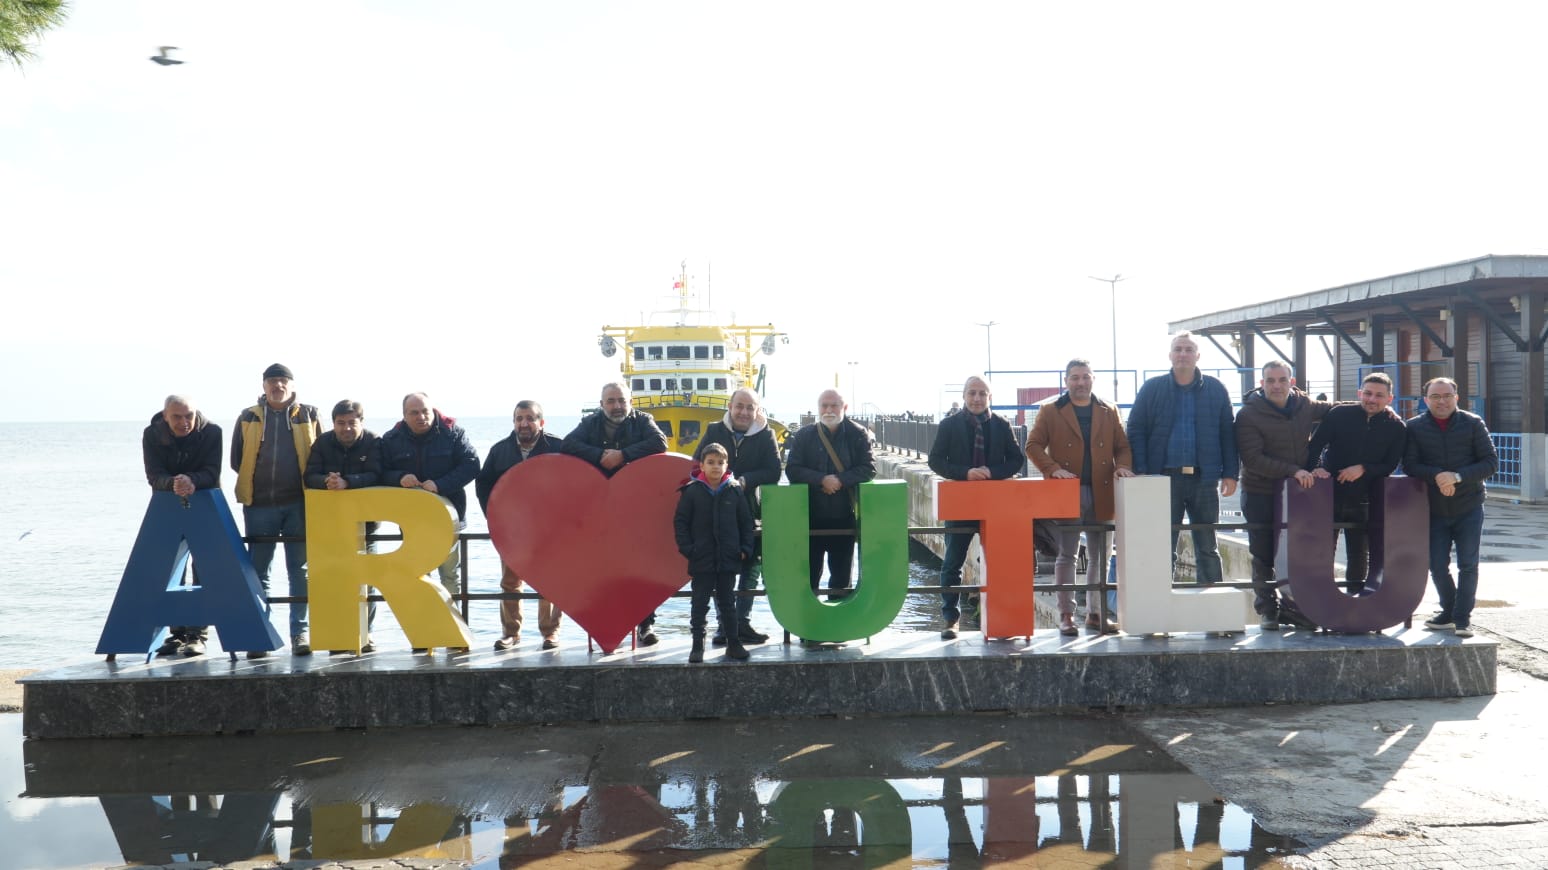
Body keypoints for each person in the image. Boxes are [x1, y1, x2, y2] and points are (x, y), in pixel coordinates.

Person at [1026, 361, 1135, 635]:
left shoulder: (1109, 410)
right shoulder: (1050, 411)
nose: (1081, 382)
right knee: (1067, 555)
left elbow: (1122, 446)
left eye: (1086, 377)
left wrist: (1122, 465)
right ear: (1066, 381)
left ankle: (1096, 614)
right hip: (1067, 492)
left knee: (1101, 556)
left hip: (1103, 491)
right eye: (1075, 377)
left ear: (1093, 379)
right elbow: (1033, 445)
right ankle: (1067, 615)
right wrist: (1053, 469)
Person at [1126, 331, 1239, 584]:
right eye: (1178, 349)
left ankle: (1212, 605)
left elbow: (1227, 433)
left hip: (1204, 480)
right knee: (1162, 547)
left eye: (1189, 350)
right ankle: (1160, 605)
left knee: (1208, 547)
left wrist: (1231, 473)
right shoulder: (1152, 388)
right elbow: (1136, 429)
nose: (1183, 354)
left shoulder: (1216, 389)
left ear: (1198, 356)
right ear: (1170, 355)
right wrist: (1142, 470)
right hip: (1163, 479)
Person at [563, 381, 669, 643]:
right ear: (601, 405)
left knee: (640, 568)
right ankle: (609, 624)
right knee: (605, 568)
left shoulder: (643, 420)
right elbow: (568, 445)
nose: (617, 406)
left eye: (621, 400)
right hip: (601, 509)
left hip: (636, 508)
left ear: (630, 402)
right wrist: (600, 455)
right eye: (611, 401)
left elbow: (660, 443)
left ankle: (646, 625)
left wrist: (623, 455)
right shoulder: (591, 423)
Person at [1233, 360, 1334, 629]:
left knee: (1298, 553)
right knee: (1263, 554)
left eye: (1281, 379)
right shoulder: (1248, 415)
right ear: (1261, 383)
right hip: (1260, 492)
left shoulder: (1305, 405)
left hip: (1297, 493)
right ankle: (1268, 609)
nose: (1276, 385)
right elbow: (1253, 459)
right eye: (1270, 380)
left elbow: (1338, 411)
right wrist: (1294, 470)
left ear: (1292, 381)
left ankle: (1297, 608)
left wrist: (1374, 408)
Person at [231, 363, 322, 658]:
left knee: (301, 570)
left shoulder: (310, 414)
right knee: (259, 571)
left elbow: (321, 454)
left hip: (300, 503)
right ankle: (261, 636)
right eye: (272, 381)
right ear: (264, 386)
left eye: (283, 381)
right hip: (259, 505)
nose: (277, 386)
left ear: (292, 386)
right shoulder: (247, 417)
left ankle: (300, 634)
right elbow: (236, 459)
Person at [380, 392, 481, 652]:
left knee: (449, 576)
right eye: (414, 412)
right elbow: (378, 471)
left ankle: (455, 634)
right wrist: (399, 477)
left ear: (432, 410)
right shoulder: (391, 440)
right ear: (404, 416)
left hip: (448, 518)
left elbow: (471, 464)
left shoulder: (453, 433)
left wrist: (440, 484)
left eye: (425, 411)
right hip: (411, 521)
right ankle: (424, 635)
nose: (421, 416)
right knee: (417, 577)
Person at [928, 376, 1025, 639]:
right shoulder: (949, 425)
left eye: (982, 393)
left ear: (990, 397)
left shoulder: (1002, 425)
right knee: (952, 563)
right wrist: (965, 473)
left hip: (994, 504)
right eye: (972, 393)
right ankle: (951, 618)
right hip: (961, 502)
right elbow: (935, 460)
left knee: (997, 561)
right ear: (964, 396)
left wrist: (991, 472)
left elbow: (1017, 460)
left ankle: (1000, 617)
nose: (977, 398)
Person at [1404, 377, 1498, 639]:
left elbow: (1490, 462)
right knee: (1436, 564)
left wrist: (1456, 477)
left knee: (1468, 564)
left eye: (1447, 395)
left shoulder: (1473, 423)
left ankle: (1462, 618)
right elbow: (1410, 464)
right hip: (1433, 508)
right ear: (1426, 400)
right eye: (1435, 396)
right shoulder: (1414, 427)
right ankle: (1448, 610)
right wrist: (1438, 476)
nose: (1441, 400)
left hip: (1468, 505)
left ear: (1457, 398)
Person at [1303, 372, 1407, 597]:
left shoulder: (1397, 427)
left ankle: (1354, 603)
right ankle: (1321, 600)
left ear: (1390, 398)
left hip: (1364, 497)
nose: (1372, 399)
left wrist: (1363, 468)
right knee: (1322, 552)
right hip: (1329, 493)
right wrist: (1316, 468)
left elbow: (1390, 464)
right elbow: (1315, 445)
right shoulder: (1340, 414)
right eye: (1367, 393)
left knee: (1359, 554)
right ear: (1359, 393)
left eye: (1379, 395)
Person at [784, 389, 875, 640]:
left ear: (844, 407)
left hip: (843, 518)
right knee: (810, 577)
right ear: (817, 407)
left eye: (834, 405)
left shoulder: (858, 435)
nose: (829, 410)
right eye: (824, 405)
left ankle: (838, 630)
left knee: (841, 577)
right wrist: (821, 479)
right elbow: (792, 470)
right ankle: (810, 631)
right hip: (810, 518)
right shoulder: (804, 435)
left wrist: (840, 480)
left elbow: (869, 469)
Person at [695, 388, 782, 647]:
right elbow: (696, 462)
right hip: (717, 509)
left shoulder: (766, 434)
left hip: (750, 510)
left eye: (749, 407)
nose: (744, 412)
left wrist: (745, 481)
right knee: (722, 569)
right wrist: (722, 480)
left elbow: (774, 471)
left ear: (757, 410)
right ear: (730, 406)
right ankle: (724, 625)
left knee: (751, 566)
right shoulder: (714, 430)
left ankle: (741, 621)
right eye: (739, 406)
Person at [476, 400, 565, 651]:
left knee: (550, 580)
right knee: (510, 581)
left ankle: (550, 633)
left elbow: (574, 481)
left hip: (550, 528)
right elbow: (484, 485)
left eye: (530, 418)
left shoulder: (558, 447)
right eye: (519, 418)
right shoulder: (499, 450)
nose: (524, 423)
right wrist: (493, 516)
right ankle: (511, 633)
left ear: (541, 422)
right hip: (512, 529)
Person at [143, 395, 222, 657]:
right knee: (169, 570)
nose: (184, 422)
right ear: (165, 416)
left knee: (203, 571)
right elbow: (154, 475)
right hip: (167, 506)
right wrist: (174, 483)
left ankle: (197, 635)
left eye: (189, 416)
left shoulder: (212, 432)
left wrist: (192, 480)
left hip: (204, 504)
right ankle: (176, 634)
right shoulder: (152, 435)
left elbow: (213, 472)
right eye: (177, 417)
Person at [303, 399, 383, 653]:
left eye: (351, 422)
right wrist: (327, 480)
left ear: (361, 422)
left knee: (366, 581)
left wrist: (348, 481)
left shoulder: (373, 442)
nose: (346, 428)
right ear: (334, 423)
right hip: (331, 525)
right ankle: (338, 635)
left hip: (366, 525)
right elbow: (309, 476)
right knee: (333, 579)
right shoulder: (323, 443)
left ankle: (365, 633)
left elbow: (378, 474)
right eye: (341, 423)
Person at [674, 442, 755, 663]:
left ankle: (733, 643)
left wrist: (745, 550)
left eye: (720, 463)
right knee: (699, 603)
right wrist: (689, 550)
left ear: (727, 465)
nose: (715, 467)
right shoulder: (691, 491)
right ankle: (697, 645)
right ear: (701, 465)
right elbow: (681, 523)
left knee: (728, 603)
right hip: (702, 558)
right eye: (710, 462)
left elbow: (746, 523)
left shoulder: (734, 490)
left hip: (728, 558)